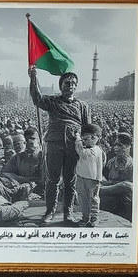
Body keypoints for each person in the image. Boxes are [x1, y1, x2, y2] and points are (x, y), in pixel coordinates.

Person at [29, 68, 89, 224]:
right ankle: (49, 212)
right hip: (55, 144)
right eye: (67, 83)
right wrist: (33, 78)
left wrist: (87, 146)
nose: (70, 86)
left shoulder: (83, 106)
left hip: (73, 146)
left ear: (76, 86)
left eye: (73, 83)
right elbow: (37, 98)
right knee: (52, 180)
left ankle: (68, 213)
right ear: (61, 85)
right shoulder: (53, 101)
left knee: (70, 181)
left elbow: (87, 128)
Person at [0, 145, 32, 226]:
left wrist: (22, 189)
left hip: (10, 217)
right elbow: (1, 215)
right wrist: (21, 204)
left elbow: (6, 194)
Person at [73, 122, 104, 228]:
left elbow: (82, 153)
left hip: (93, 178)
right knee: (82, 198)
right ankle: (85, 217)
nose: (89, 140)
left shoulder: (95, 150)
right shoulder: (87, 148)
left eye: (92, 137)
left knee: (93, 199)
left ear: (98, 138)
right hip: (81, 176)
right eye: (85, 138)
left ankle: (94, 218)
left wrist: (78, 139)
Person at [100, 131, 134, 222]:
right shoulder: (111, 162)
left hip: (126, 197)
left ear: (128, 147)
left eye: (120, 145)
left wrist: (109, 183)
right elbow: (105, 178)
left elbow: (128, 186)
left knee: (127, 186)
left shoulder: (132, 164)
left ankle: (96, 190)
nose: (116, 148)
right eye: (115, 145)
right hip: (111, 192)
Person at [2, 129, 43, 194]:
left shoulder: (45, 157)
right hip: (24, 192)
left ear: (39, 140)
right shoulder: (18, 158)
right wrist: (22, 179)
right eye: (26, 139)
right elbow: (4, 173)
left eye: (32, 138)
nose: (29, 141)